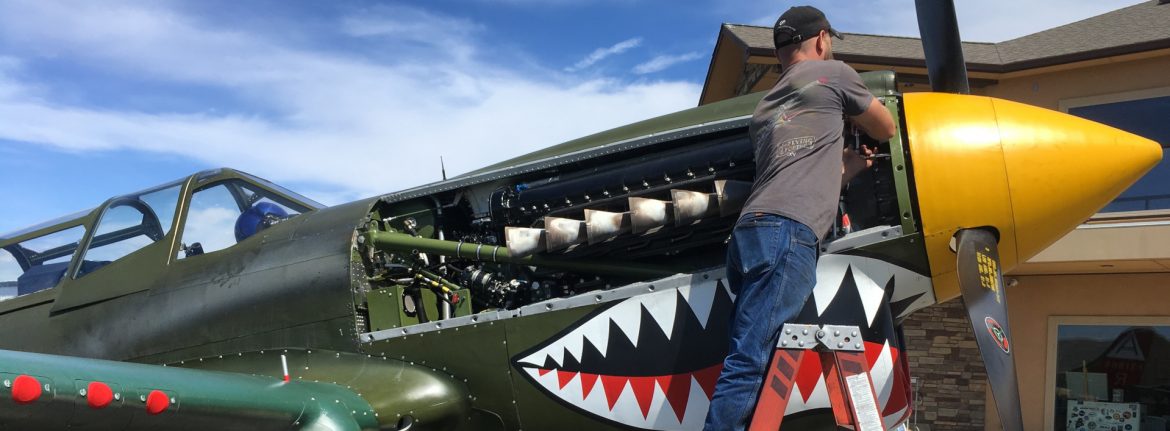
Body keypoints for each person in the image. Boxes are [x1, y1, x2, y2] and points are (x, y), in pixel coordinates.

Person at [703, 5, 896, 430]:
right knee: (749, 362)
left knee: (751, 353)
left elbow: (794, 168)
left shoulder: (765, 107)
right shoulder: (836, 73)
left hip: (751, 233)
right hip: (787, 233)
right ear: (823, 39)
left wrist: (849, 168)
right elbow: (886, 129)